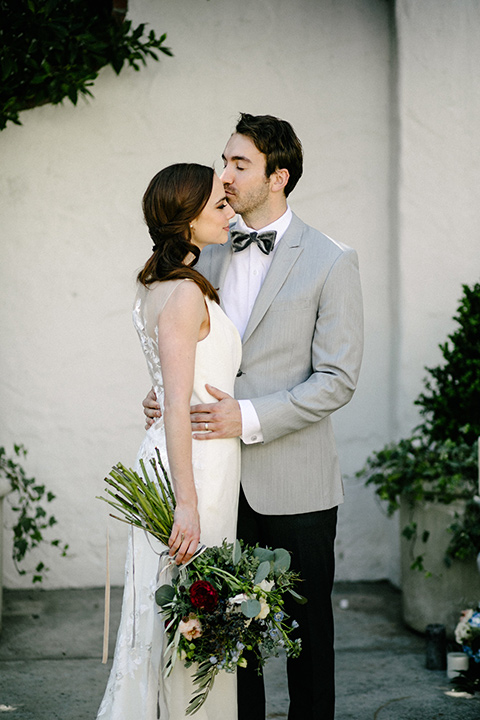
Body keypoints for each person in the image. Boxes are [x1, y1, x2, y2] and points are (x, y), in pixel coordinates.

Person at [144, 114, 364, 720]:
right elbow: (187, 344)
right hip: (217, 481)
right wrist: (167, 394)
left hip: (297, 483)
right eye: (224, 161)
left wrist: (247, 417)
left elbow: (338, 380)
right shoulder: (209, 246)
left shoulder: (331, 260)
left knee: (308, 637)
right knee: (223, 637)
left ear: (279, 176)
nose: (225, 176)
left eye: (239, 164)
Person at [97, 164, 242, 720]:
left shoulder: (154, 283)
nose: (228, 212)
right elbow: (177, 399)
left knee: (174, 616)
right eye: (218, 207)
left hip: (184, 451)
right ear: (187, 220)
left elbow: (172, 378)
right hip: (194, 467)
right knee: (190, 617)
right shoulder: (183, 294)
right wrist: (187, 502)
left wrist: (160, 393)